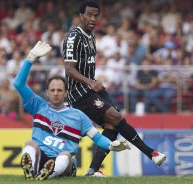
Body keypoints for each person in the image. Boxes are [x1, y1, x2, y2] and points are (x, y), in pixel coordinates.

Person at [62, 0, 166, 176]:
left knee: (112, 125)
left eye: (96, 15)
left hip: (92, 89)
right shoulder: (73, 37)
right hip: (79, 94)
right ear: (81, 16)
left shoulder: (92, 37)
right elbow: (69, 69)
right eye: (89, 15)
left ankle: (91, 172)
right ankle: (151, 153)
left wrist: (93, 83)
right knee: (115, 116)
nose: (93, 19)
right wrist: (90, 82)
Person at [13, 41, 130, 180]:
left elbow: (97, 137)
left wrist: (110, 145)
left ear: (66, 93)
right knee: (29, 143)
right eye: (52, 90)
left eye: (59, 90)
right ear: (48, 92)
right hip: (41, 157)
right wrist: (30, 58)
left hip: (62, 162)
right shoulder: (38, 106)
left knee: (66, 156)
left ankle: (48, 174)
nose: (56, 93)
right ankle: (31, 172)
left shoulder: (78, 116)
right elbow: (18, 84)